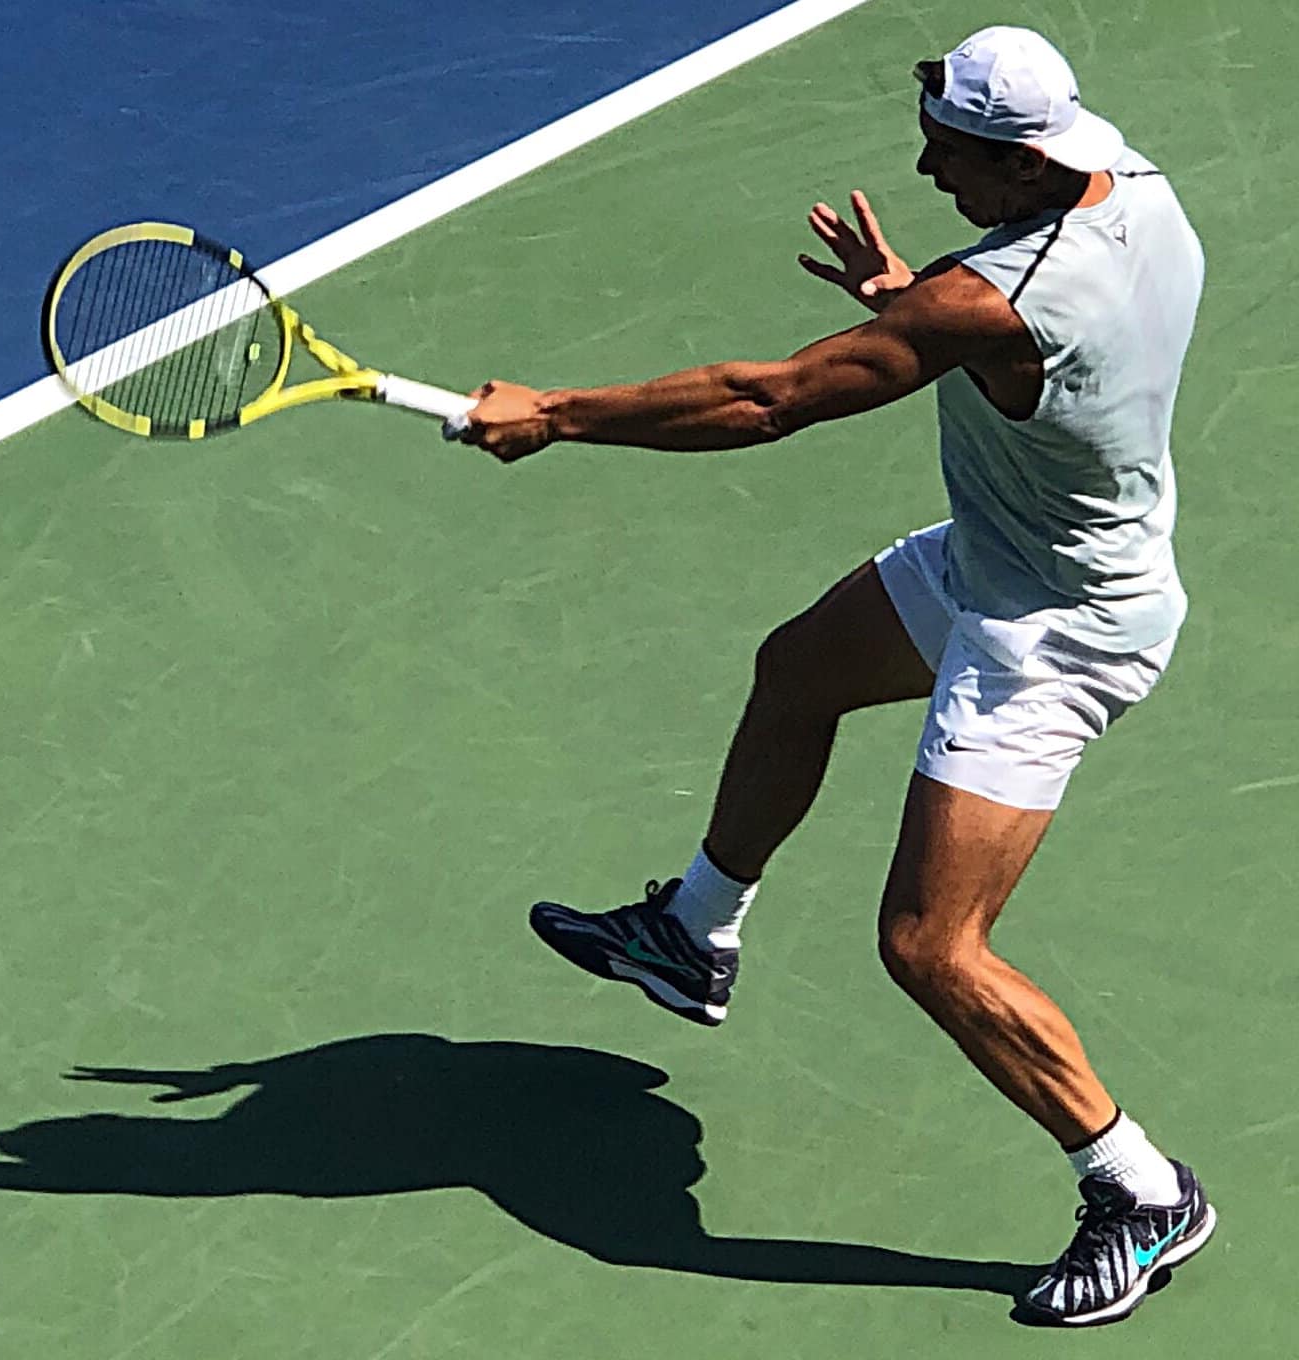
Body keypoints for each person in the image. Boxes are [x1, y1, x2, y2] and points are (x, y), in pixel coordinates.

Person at [457, 25, 1214, 1326]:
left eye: (954, 153)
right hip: (1009, 552)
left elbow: (771, 400)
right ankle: (691, 933)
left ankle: (1140, 1192)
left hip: (1055, 631)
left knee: (931, 944)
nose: (926, 166)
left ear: (1028, 163)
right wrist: (923, 300)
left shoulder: (1000, 295)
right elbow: (1011, 321)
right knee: (798, 670)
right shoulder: (1129, 189)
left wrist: (560, 413)